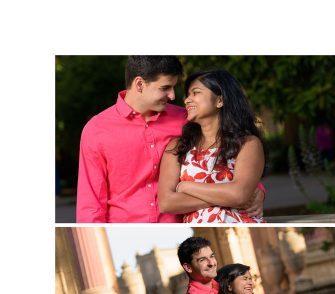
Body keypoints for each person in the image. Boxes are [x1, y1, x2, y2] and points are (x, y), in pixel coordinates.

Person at [76, 56, 263, 223]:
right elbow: (91, 203)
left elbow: (231, 151)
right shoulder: (97, 130)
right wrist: (234, 196)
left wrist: (256, 189)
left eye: (173, 87)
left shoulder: (186, 119)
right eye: (165, 88)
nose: (173, 96)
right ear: (139, 84)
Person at [158, 69, 266, 223]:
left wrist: (187, 187)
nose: (187, 100)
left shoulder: (248, 144)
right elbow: (166, 203)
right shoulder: (177, 147)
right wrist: (226, 196)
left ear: (219, 101)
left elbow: (239, 194)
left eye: (195, 93)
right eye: (187, 95)